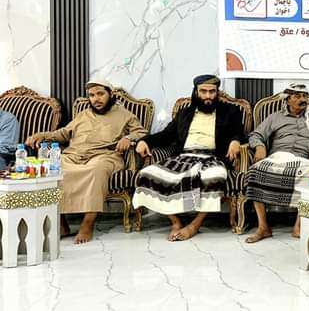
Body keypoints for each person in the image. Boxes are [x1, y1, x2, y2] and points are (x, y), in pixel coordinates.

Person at [25, 80, 147, 244]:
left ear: (110, 94)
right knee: (52, 168)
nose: (96, 99)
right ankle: (61, 223)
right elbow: (64, 133)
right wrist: (43, 135)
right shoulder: (83, 114)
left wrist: (128, 138)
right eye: (92, 95)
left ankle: (88, 223)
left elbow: (141, 132)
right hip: (74, 155)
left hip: (104, 156)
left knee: (96, 170)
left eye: (100, 94)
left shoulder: (124, 115)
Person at [133, 74, 247, 241]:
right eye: (203, 91)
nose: (208, 96)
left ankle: (195, 225)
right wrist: (144, 141)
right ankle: (175, 222)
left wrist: (236, 141)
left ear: (217, 92)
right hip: (184, 157)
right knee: (146, 174)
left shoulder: (230, 111)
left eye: (212, 92)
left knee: (215, 176)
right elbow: (166, 135)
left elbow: (240, 132)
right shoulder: (185, 113)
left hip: (212, 157)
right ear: (196, 92)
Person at [243, 83, 309, 243]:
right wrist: (259, 147)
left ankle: (299, 226)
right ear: (287, 100)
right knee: (255, 172)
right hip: (278, 157)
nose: (302, 99)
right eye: (297, 96)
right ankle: (263, 227)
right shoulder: (275, 117)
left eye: (304, 96)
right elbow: (256, 135)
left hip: (303, 160)